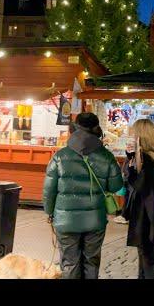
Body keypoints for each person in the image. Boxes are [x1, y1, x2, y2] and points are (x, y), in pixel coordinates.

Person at [43, 112, 123, 279]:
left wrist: (49, 212)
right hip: (95, 219)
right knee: (91, 262)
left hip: (65, 220)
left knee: (70, 263)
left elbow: (49, 190)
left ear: (75, 129)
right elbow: (116, 186)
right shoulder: (106, 156)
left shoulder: (60, 156)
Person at [125, 119, 154, 279]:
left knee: (148, 259)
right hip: (153, 213)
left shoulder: (149, 159)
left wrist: (131, 168)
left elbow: (139, 185)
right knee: (147, 258)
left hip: (147, 215)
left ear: (140, 135)